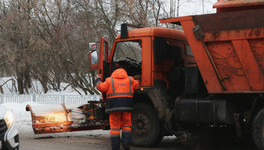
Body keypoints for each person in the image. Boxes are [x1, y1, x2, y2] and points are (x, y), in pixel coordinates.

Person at [95, 68, 139, 150]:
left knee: (115, 127)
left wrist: (98, 79)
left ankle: (115, 147)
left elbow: (101, 87)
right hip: (127, 106)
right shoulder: (130, 79)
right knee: (126, 126)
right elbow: (136, 85)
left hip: (114, 107)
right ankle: (126, 145)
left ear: (113, 74)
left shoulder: (109, 80)